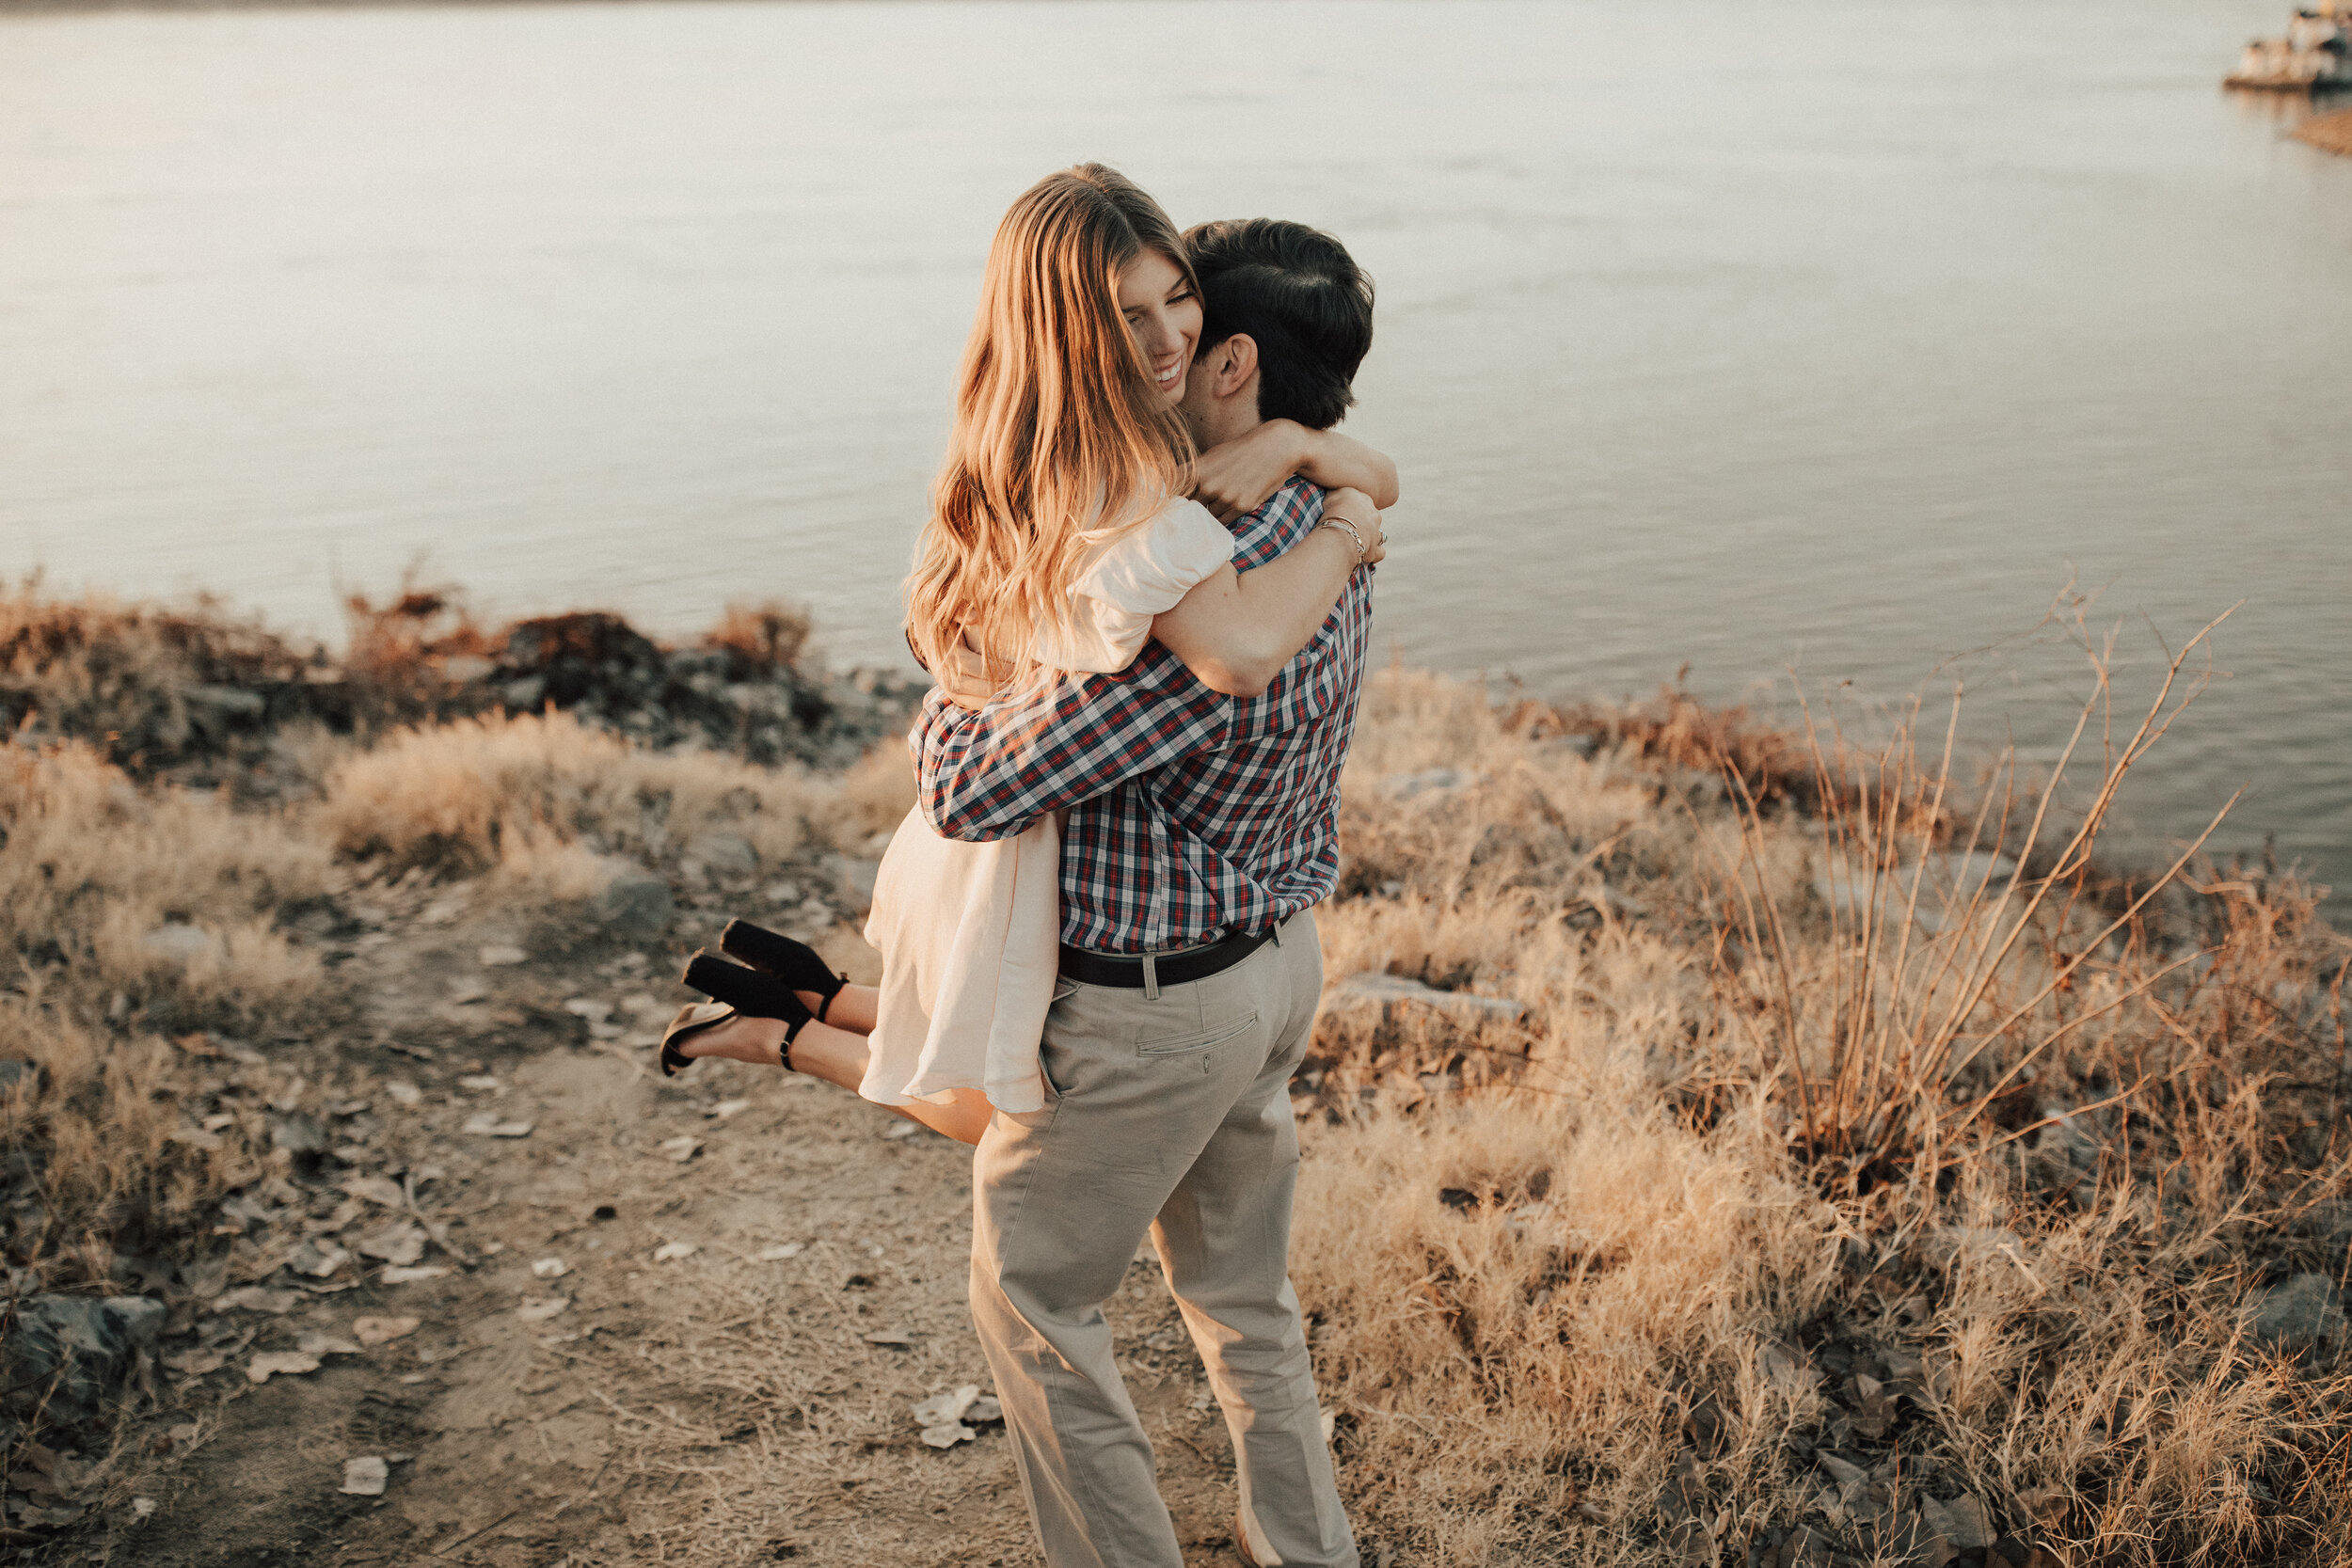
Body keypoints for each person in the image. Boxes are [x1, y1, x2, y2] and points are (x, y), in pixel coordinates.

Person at [668, 170, 1384, 1568]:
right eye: (1135, 315)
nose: (1164, 346)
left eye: (1182, 310)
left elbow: (975, 784)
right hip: (1268, 968)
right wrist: (1351, 479)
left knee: (1039, 1309)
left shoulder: (1208, 572)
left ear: (1232, 358)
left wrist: (965, 696)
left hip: (1164, 1007)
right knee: (1246, 1309)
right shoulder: (1293, 511)